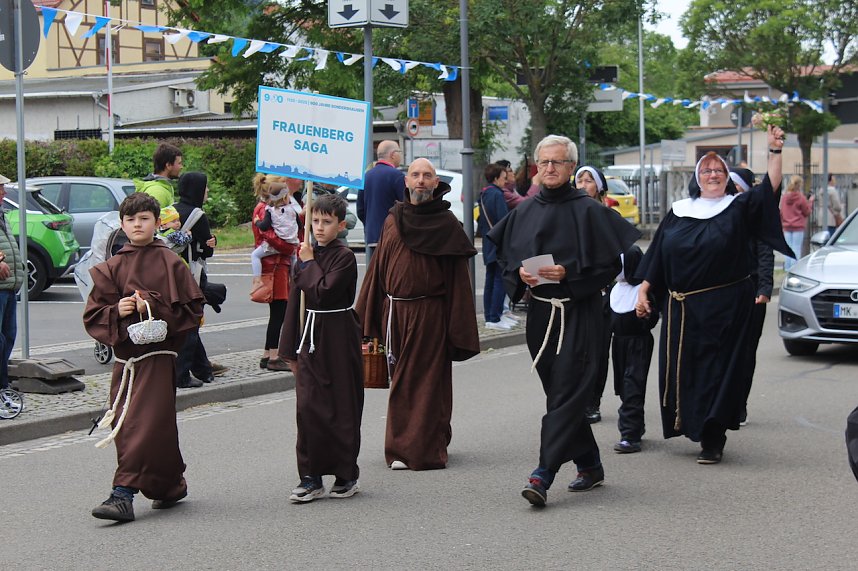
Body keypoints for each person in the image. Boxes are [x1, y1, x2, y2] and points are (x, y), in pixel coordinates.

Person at [486, 135, 640, 507]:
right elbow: (506, 259)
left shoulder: (588, 211)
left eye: (557, 162)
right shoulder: (523, 210)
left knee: (567, 393)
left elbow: (610, 266)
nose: (550, 168)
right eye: (544, 162)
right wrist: (520, 278)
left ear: (571, 167)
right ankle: (589, 464)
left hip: (580, 312)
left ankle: (543, 473)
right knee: (559, 395)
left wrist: (568, 273)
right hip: (541, 314)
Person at [635, 126, 793, 465]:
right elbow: (658, 254)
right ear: (697, 176)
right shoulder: (678, 212)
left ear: (727, 177)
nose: (712, 174)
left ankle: (713, 437)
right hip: (683, 309)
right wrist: (645, 289)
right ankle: (689, 424)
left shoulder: (738, 208)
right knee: (688, 371)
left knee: (717, 371)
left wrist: (775, 152)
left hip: (726, 307)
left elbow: (770, 189)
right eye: (706, 170)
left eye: (718, 170)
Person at [84, 192, 204, 522]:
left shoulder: (170, 263)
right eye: (131, 219)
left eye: (145, 219)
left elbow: (190, 313)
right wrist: (116, 310)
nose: (137, 225)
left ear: (156, 222)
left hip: (158, 358)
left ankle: (122, 494)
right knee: (134, 427)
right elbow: (93, 314)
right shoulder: (112, 267)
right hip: (126, 364)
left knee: (144, 423)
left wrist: (151, 304)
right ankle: (169, 486)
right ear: (122, 224)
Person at [356, 157, 479, 471]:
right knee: (401, 379)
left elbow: (459, 284)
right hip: (394, 312)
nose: (421, 180)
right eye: (415, 175)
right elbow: (378, 269)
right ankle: (414, 443)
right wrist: (365, 318)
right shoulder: (392, 220)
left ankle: (417, 450)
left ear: (436, 183)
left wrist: (457, 326)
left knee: (423, 382)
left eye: (427, 175)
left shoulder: (447, 224)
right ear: (406, 181)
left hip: (429, 314)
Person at [278, 193, 364, 502]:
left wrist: (310, 263)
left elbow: (325, 292)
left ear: (341, 225)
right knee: (308, 407)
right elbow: (295, 303)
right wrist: (288, 349)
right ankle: (310, 476)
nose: (319, 228)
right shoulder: (305, 255)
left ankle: (345, 473)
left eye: (327, 222)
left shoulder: (344, 257)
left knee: (341, 405)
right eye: (315, 221)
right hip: (310, 335)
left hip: (338, 335)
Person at [730, 167, 774, 427]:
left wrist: (765, 288)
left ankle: (739, 405)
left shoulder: (756, 216)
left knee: (746, 351)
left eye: (736, 185)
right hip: (726, 293)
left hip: (753, 290)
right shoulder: (720, 214)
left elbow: (766, 254)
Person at [251, 174, 303, 372]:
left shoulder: (268, 208)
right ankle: (273, 356)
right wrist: (290, 248)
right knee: (279, 311)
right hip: (275, 265)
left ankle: (267, 354)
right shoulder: (266, 209)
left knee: (278, 311)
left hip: (277, 264)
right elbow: (270, 236)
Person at [174, 172, 221, 388]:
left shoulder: (171, 210)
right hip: (191, 275)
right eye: (205, 187)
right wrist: (213, 243)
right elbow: (206, 249)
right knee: (191, 325)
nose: (208, 191)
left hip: (172, 274)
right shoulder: (197, 215)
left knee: (187, 322)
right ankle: (181, 375)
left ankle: (203, 369)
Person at [610, 245, 658, 453]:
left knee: (633, 385)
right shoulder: (615, 289)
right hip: (618, 343)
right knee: (624, 386)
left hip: (638, 343)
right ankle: (636, 426)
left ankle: (629, 435)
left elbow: (653, 317)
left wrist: (645, 314)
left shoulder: (643, 291)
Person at [574, 166, 613, 424]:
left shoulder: (609, 216)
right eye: (579, 180)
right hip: (573, 293)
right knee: (574, 349)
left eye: (589, 181)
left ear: (598, 187)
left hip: (602, 293)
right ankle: (573, 400)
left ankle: (592, 401)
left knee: (597, 350)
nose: (583, 185)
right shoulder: (567, 215)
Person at [357, 140, 405, 264]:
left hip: (372, 237)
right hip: (393, 238)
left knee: (376, 276)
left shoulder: (366, 176)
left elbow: (360, 210)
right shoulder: (397, 176)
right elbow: (405, 206)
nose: (401, 155)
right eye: (400, 152)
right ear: (393, 154)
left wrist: (370, 224)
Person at [479, 163, 512, 330]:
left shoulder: (484, 194)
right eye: (504, 178)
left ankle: (490, 317)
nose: (505, 181)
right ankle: (496, 317)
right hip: (498, 244)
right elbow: (503, 220)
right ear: (496, 178)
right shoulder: (497, 195)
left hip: (487, 242)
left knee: (490, 279)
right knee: (499, 280)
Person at [251, 183, 301, 288]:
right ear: (285, 197)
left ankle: (257, 279)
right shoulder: (293, 210)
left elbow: (264, 226)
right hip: (292, 242)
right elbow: (300, 226)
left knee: (255, 255)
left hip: (274, 245)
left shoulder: (270, 210)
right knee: (294, 258)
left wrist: (257, 222)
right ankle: (294, 281)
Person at [0, 175, 23, 394]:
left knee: (8, 335)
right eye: (0, 188)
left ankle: (3, 385)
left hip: (8, 286)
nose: (4, 193)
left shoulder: (2, 214)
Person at [135, 143, 183, 208]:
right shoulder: (158, 192)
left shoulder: (162, 187)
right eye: (179, 163)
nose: (181, 167)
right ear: (168, 165)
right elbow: (152, 217)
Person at [780, 175, 812, 270]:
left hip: (786, 225)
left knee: (788, 248)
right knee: (796, 248)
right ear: (799, 185)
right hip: (798, 226)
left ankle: (787, 268)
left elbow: (781, 211)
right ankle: (794, 268)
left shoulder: (784, 197)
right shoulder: (800, 198)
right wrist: (810, 202)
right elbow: (807, 211)